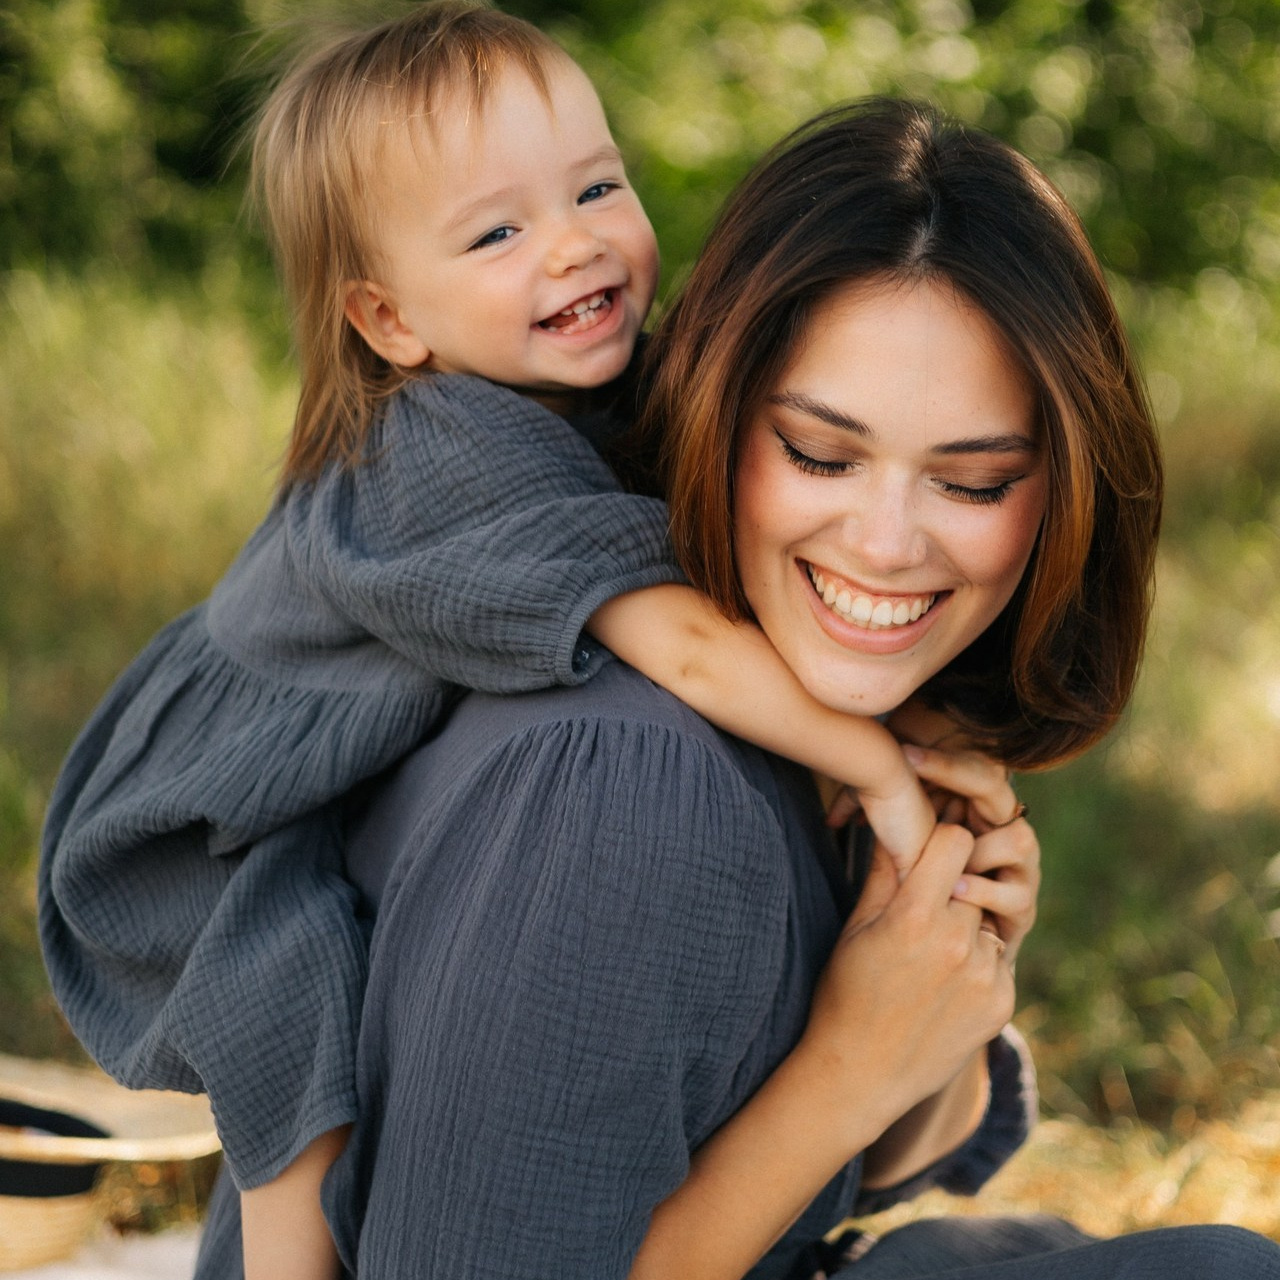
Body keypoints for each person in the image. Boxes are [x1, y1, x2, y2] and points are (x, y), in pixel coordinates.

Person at [201, 97, 1280, 1279]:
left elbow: (826, 1182)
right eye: (819, 453)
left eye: (971, 482)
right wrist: (845, 1070)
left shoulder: (786, 724)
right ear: (715, 405)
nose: (881, 543)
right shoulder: (624, 777)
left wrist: (935, 979)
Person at [38, 6, 940, 1278]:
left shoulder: (568, 387)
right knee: (295, 1063)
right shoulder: (446, 440)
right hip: (210, 814)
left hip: (293, 776)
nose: (572, 245)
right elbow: (677, 644)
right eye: (498, 231)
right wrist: (882, 768)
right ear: (390, 321)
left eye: (595, 186)